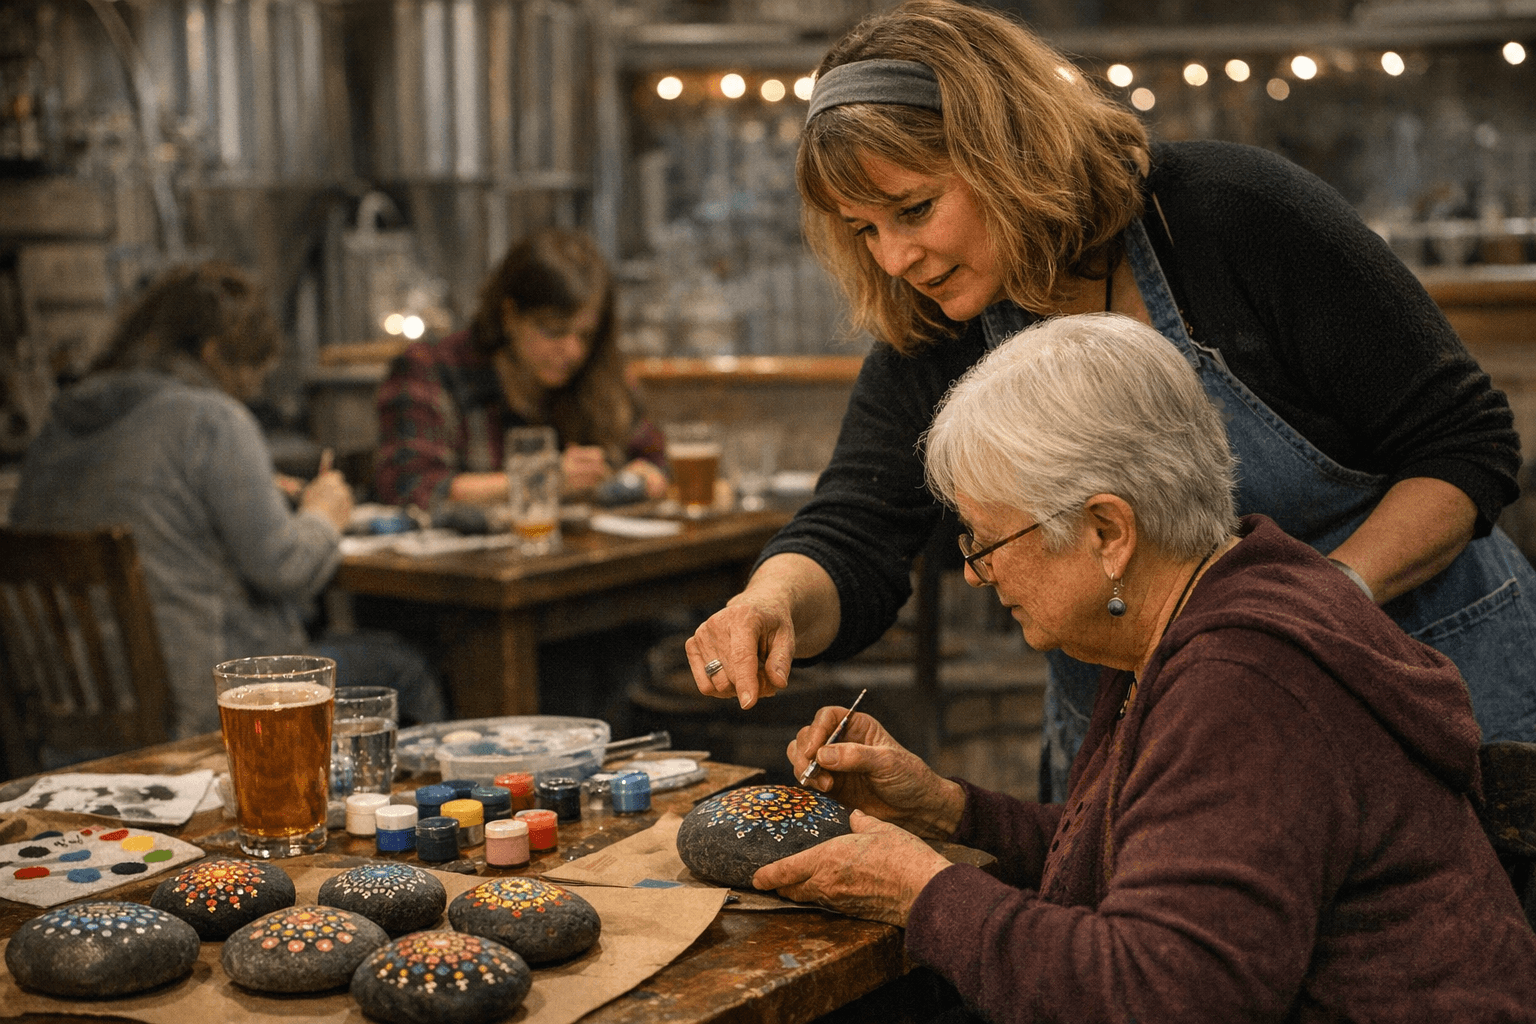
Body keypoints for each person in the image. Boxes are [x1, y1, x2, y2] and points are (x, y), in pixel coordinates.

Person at [686, 0, 1536, 800]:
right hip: (1164, 742)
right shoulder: (939, 325)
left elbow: (1463, 445)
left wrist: (1321, 600)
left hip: (1417, 681)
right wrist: (770, 604)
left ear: (1008, 152)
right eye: (864, 230)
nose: (896, 258)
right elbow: (856, 530)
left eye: (915, 208)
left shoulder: (1230, 215)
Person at [752, 313, 1536, 1022]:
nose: (975, 575)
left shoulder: (1244, 683)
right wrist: (948, 809)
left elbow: (1165, 995)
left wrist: (922, 889)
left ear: (1106, 532)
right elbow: (1155, 849)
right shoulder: (1214, 600)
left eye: (986, 543)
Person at [9, 262, 445, 740]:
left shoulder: (59, 424)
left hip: (70, 719)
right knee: (403, 666)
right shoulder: (208, 419)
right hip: (205, 705)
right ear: (214, 353)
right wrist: (324, 513)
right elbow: (285, 566)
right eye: (248, 372)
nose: (251, 391)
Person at [374, 227, 667, 510]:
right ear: (510, 316)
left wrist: (641, 478)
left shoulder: (599, 368)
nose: (574, 350)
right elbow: (409, 486)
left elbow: (655, 459)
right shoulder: (431, 367)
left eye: (586, 336)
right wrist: (539, 481)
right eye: (554, 331)